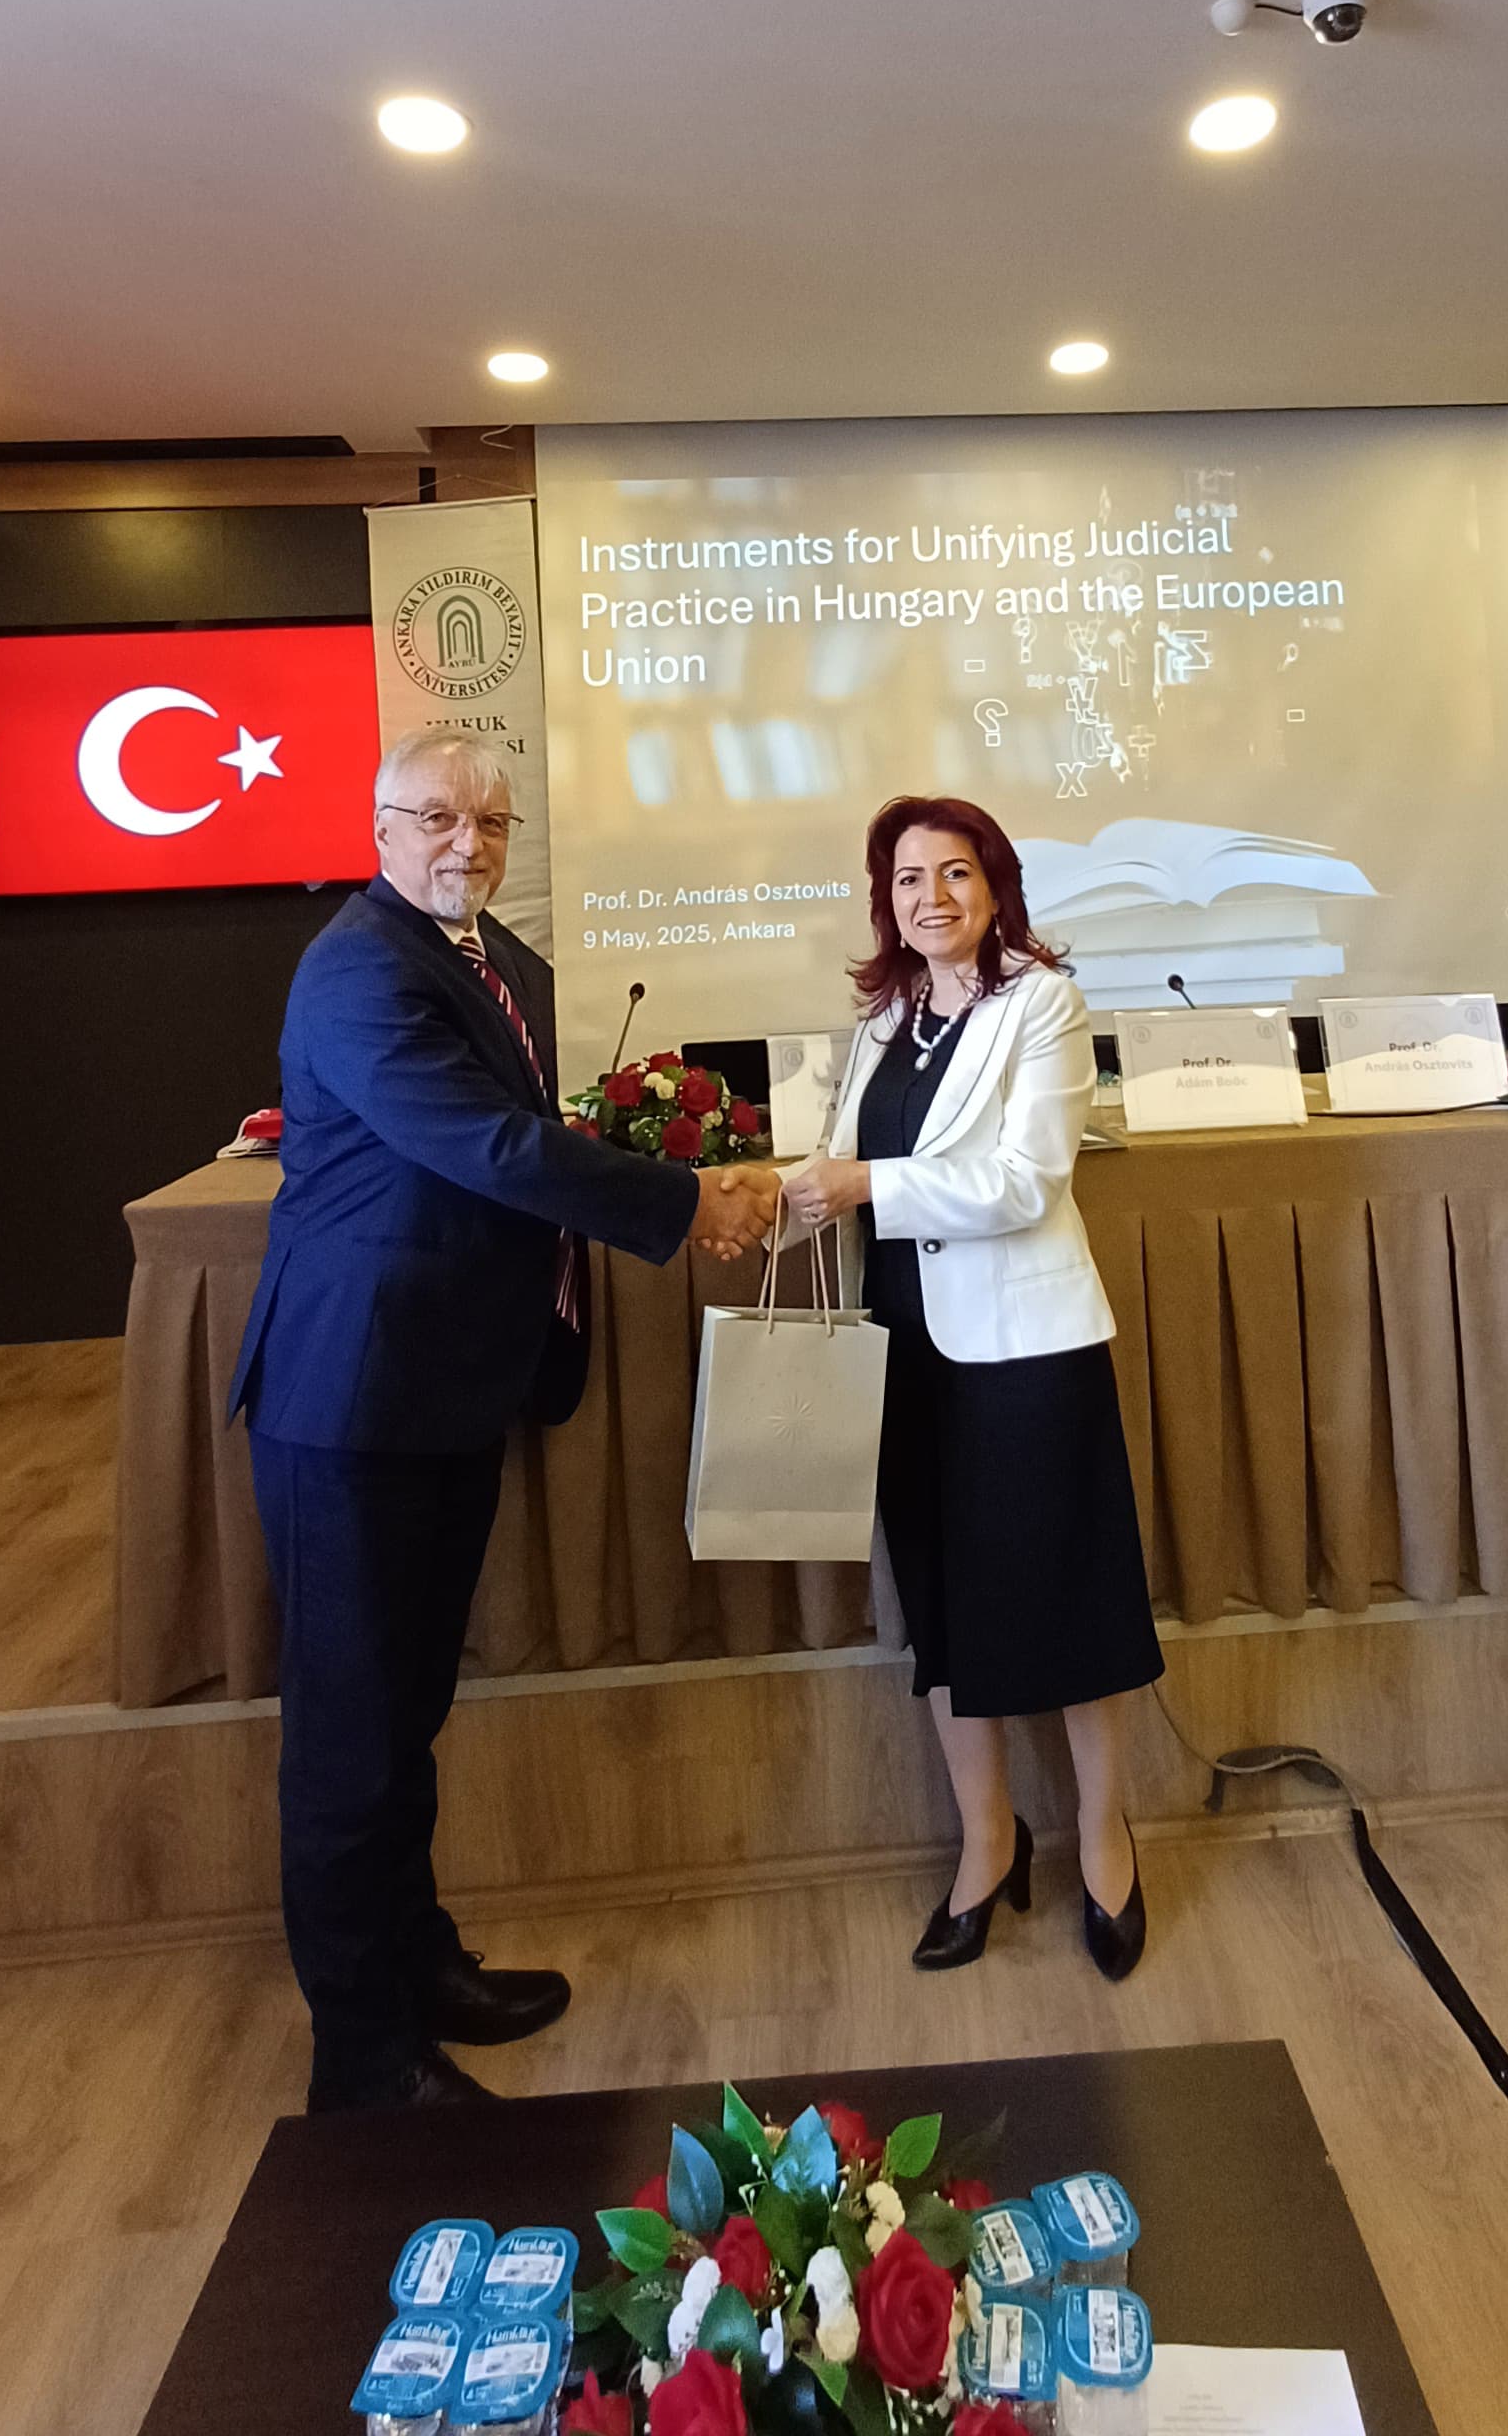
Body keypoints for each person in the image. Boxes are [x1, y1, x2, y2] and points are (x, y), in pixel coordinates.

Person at [228, 727, 779, 2111]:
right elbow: (486, 1145)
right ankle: (362, 2057)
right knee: (350, 1743)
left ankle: (419, 1966)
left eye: (489, 823)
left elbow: (522, 1132)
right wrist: (685, 1203)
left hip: (440, 1394)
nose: (465, 844)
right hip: (350, 1405)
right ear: (380, 828)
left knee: (405, 1714)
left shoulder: (495, 959)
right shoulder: (359, 968)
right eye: (436, 818)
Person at [782, 794, 1161, 1982]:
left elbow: (1024, 1182)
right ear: (884, 900)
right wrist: (779, 1199)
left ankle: (1104, 1836)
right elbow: (845, 1164)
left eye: (954, 873)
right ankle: (987, 1842)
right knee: (944, 1610)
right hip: (903, 1348)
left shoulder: (1042, 1003)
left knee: (1069, 1601)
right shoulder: (884, 1015)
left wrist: (862, 1186)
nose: (930, 897)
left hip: (1024, 1355)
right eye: (907, 879)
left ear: (995, 888)